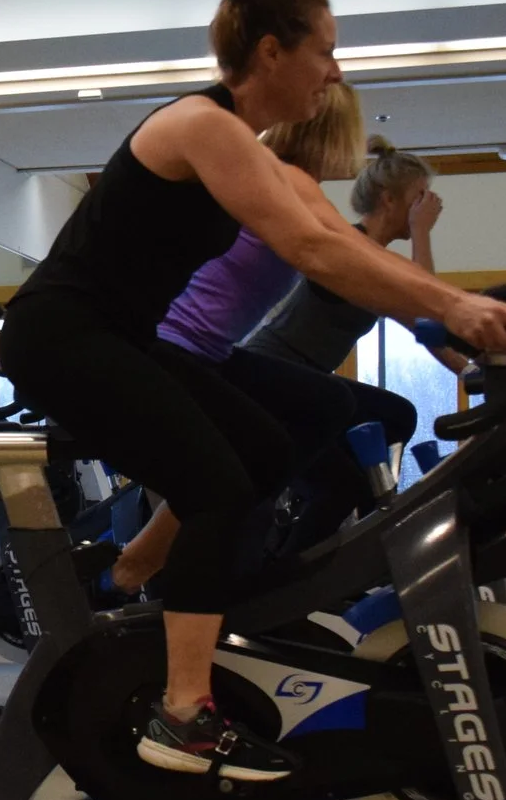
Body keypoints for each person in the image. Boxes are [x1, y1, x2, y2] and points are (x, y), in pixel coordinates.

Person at [0, 0, 506, 783]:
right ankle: (182, 715)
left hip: (118, 334)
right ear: (272, 52)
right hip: (63, 335)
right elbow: (317, 248)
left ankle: (140, 568)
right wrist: (450, 309)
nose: (336, 70)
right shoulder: (202, 125)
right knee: (219, 485)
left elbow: (341, 247)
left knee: (262, 449)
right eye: (325, 49)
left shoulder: (238, 141)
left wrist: (453, 309)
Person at [107, 78, 390, 592]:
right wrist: (458, 315)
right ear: (333, 132)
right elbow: (351, 263)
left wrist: (462, 312)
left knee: (324, 407)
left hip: (209, 354)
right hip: (169, 351)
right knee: (258, 460)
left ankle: (227, 561)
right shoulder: (280, 183)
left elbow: (362, 260)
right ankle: (151, 558)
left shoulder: (288, 184)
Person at [249, 137, 463, 380]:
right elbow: (424, 300)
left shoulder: (378, 259)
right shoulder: (349, 246)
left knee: (396, 412)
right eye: (419, 197)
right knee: (352, 405)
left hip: (308, 374)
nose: (425, 206)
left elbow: (422, 322)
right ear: (389, 199)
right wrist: (420, 231)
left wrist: (468, 370)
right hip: (273, 364)